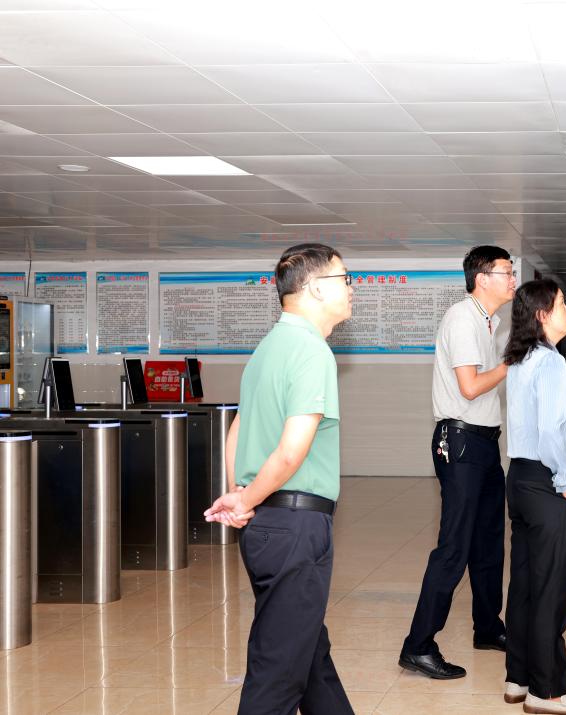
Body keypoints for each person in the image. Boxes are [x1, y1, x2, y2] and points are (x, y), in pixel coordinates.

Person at [204, 243, 355, 715]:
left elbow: (238, 427)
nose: (352, 288)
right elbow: (292, 451)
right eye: (344, 279)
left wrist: (241, 493)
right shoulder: (311, 351)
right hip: (295, 527)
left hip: (269, 527)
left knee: (308, 657)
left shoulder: (268, 348)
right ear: (315, 288)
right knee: (278, 672)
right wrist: (246, 498)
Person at [399, 245, 517, 679]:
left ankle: (488, 626)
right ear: (482, 278)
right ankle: (418, 645)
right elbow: (470, 387)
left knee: (489, 542)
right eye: (507, 272)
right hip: (462, 443)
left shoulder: (489, 322)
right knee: (454, 547)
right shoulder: (462, 318)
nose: (513, 280)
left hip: (484, 444)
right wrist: (511, 363)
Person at [502, 279, 566, 715]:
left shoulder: (521, 358)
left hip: (520, 477)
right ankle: (547, 690)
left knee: (524, 583)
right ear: (542, 315)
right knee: (552, 586)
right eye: (561, 304)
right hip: (549, 480)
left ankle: (518, 677)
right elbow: (550, 431)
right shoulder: (550, 362)